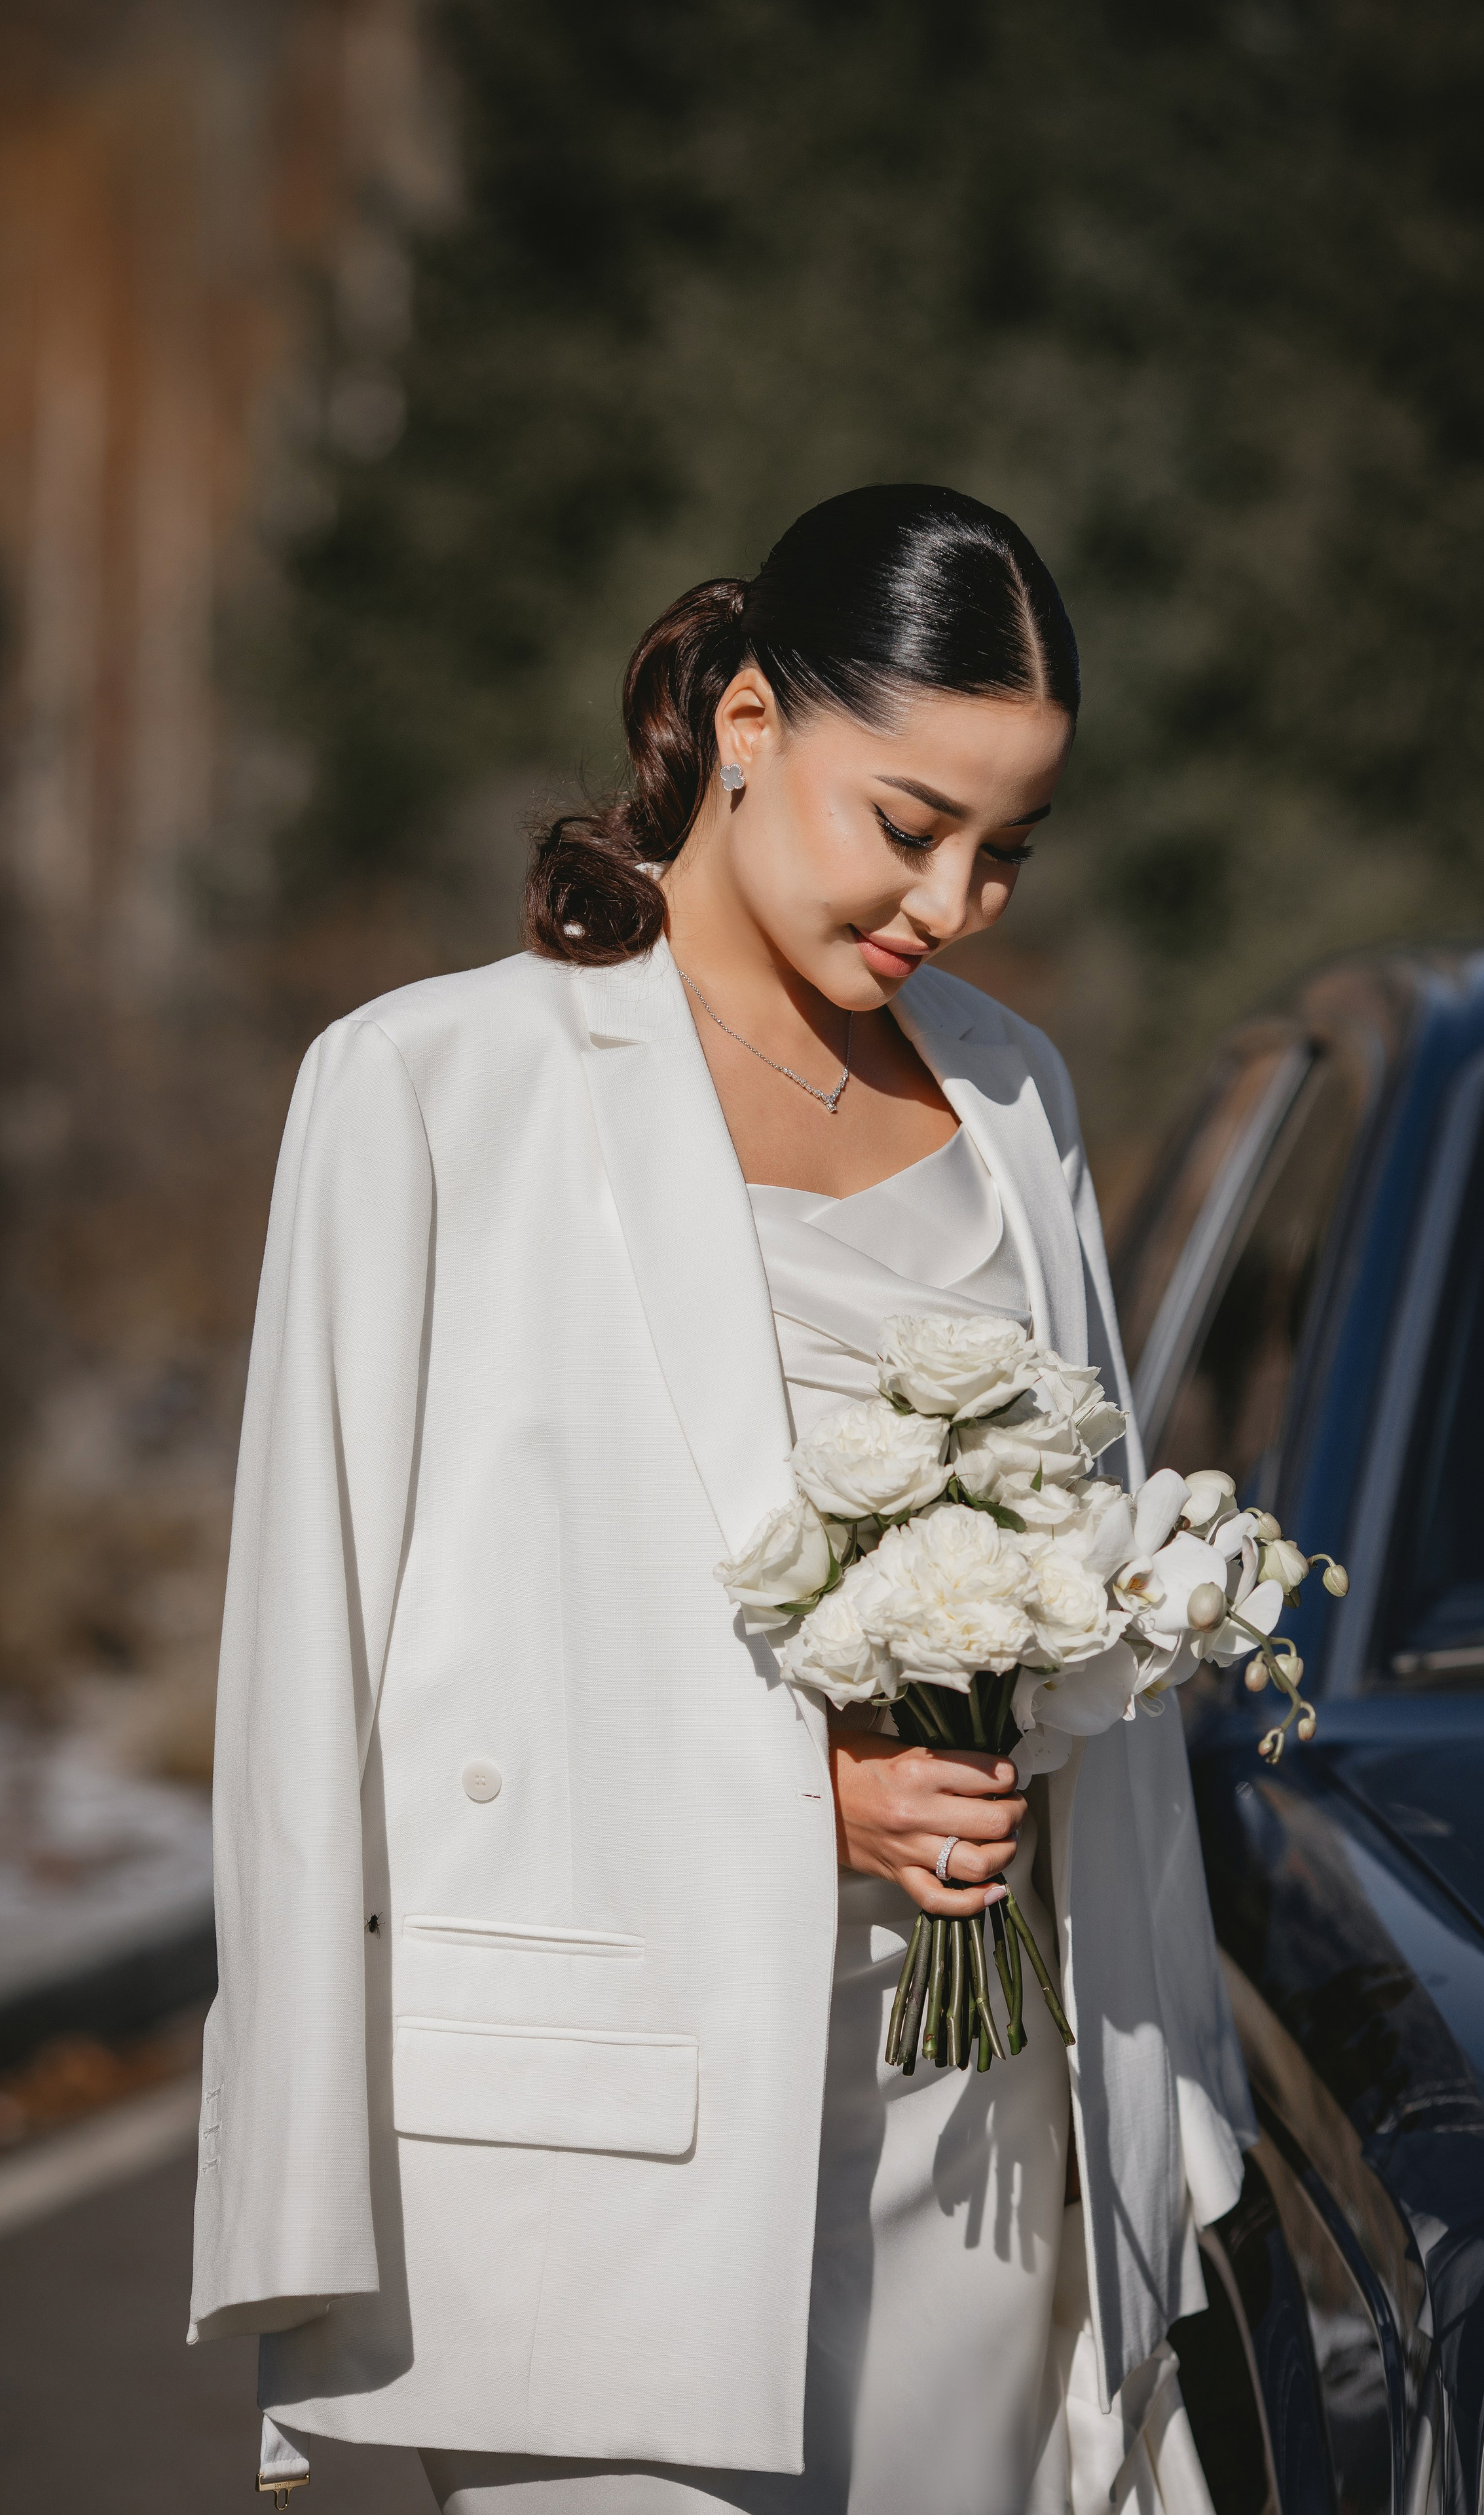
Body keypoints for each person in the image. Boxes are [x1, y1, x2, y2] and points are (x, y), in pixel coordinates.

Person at [191, 484, 1255, 2515]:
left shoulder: (1017, 1097)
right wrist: (812, 1789)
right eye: (912, 825)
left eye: (1008, 851)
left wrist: (1154, 2118)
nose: (953, 905)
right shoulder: (430, 1091)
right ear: (750, 723)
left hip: (986, 2156)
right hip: (602, 2181)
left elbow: (1096, 1585)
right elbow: (321, 1684)